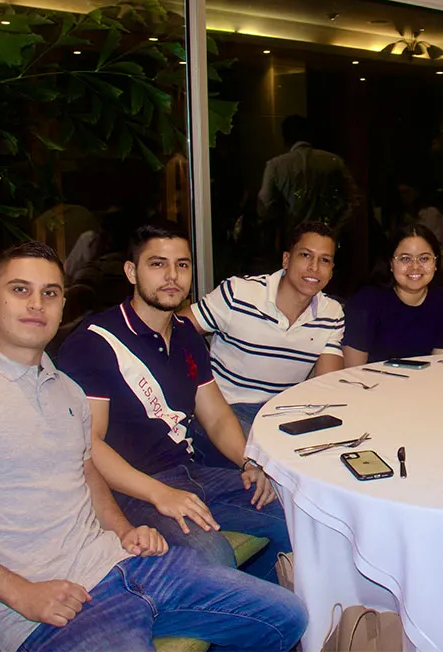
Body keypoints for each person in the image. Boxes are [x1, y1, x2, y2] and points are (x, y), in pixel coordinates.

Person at [0, 241, 306, 652]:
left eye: (50, 293)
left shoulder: (65, 390)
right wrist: (21, 594)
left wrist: (124, 532)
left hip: (127, 567)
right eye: (20, 290)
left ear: (62, 306)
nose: (37, 304)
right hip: (49, 608)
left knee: (288, 616)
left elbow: (86, 471)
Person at [56, 223, 291, 583]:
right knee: (213, 554)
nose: (172, 276)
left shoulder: (185, 334)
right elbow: (90, 444)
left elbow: (216, 416)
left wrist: (250, 461)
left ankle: (273, 603)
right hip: (131, 489)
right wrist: (160, 494)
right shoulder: (94, 341)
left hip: (191, 473)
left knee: (295, 518)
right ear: (131, 271)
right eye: (157, 264)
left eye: (182, 265)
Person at [184, 221, 345, 432]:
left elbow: (327, 385)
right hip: (225, 412)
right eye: (306, 255)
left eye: (324, 260)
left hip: (281, 414)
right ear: (286, 260)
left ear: (331, 270)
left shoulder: (331, 313)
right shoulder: (239, 293)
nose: (314, 267)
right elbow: (171, 330)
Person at [343, 224, 443, 365]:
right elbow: (352, 371)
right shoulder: (365, 302)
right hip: (371, 378)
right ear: (391, 264)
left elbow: (441, 367)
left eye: (424, 258)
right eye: (405, 259)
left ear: (436, 262)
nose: (415, 266)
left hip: (427, 378)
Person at [257, 114, 359, 234]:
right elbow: (353, 199)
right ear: (310, 135)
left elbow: (264, 207)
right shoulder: (334, 161)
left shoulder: (275, 165)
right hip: (325, 235)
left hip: (292, 235)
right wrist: (336, 227)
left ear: (285, 138)